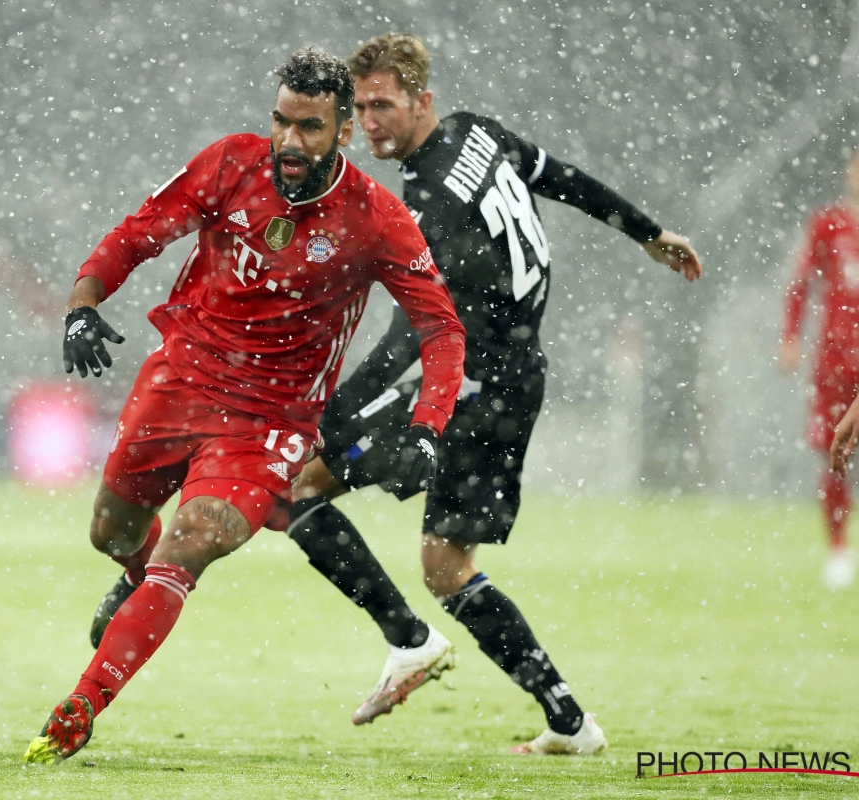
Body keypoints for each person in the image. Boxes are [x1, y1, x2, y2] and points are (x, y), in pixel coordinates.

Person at [23, 46, 466, 765]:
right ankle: (135, 582)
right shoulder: (229, 164)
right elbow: (139, 233)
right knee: (111, 532)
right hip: (181, 380)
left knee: (195, 538)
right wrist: (82, 304)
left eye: (311, 128)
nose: (290, 143)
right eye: (282, 123)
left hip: (270, 423)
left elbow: (441, 327)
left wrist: (428, 429)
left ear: (344, 130)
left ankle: (83, 703)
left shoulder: (377, 219)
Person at [283, 33, 703, 755]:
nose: (371, 120)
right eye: (362, 106)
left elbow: (415, 335)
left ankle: (409, 641)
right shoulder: (479, 133)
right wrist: (645, 230)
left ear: (423, 101)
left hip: (462, 385)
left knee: (295, 488)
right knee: (448, 567)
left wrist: (334, 408)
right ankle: (571, 723)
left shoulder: (428, 200)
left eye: (384, 104)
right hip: (515, 375)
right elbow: (561, 177)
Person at [782, 146, 859, 590]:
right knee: (834, 453)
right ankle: (839, 550)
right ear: (849, 175)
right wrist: (790, 337)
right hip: (837, 359)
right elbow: (800, 282)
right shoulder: (828, 224)